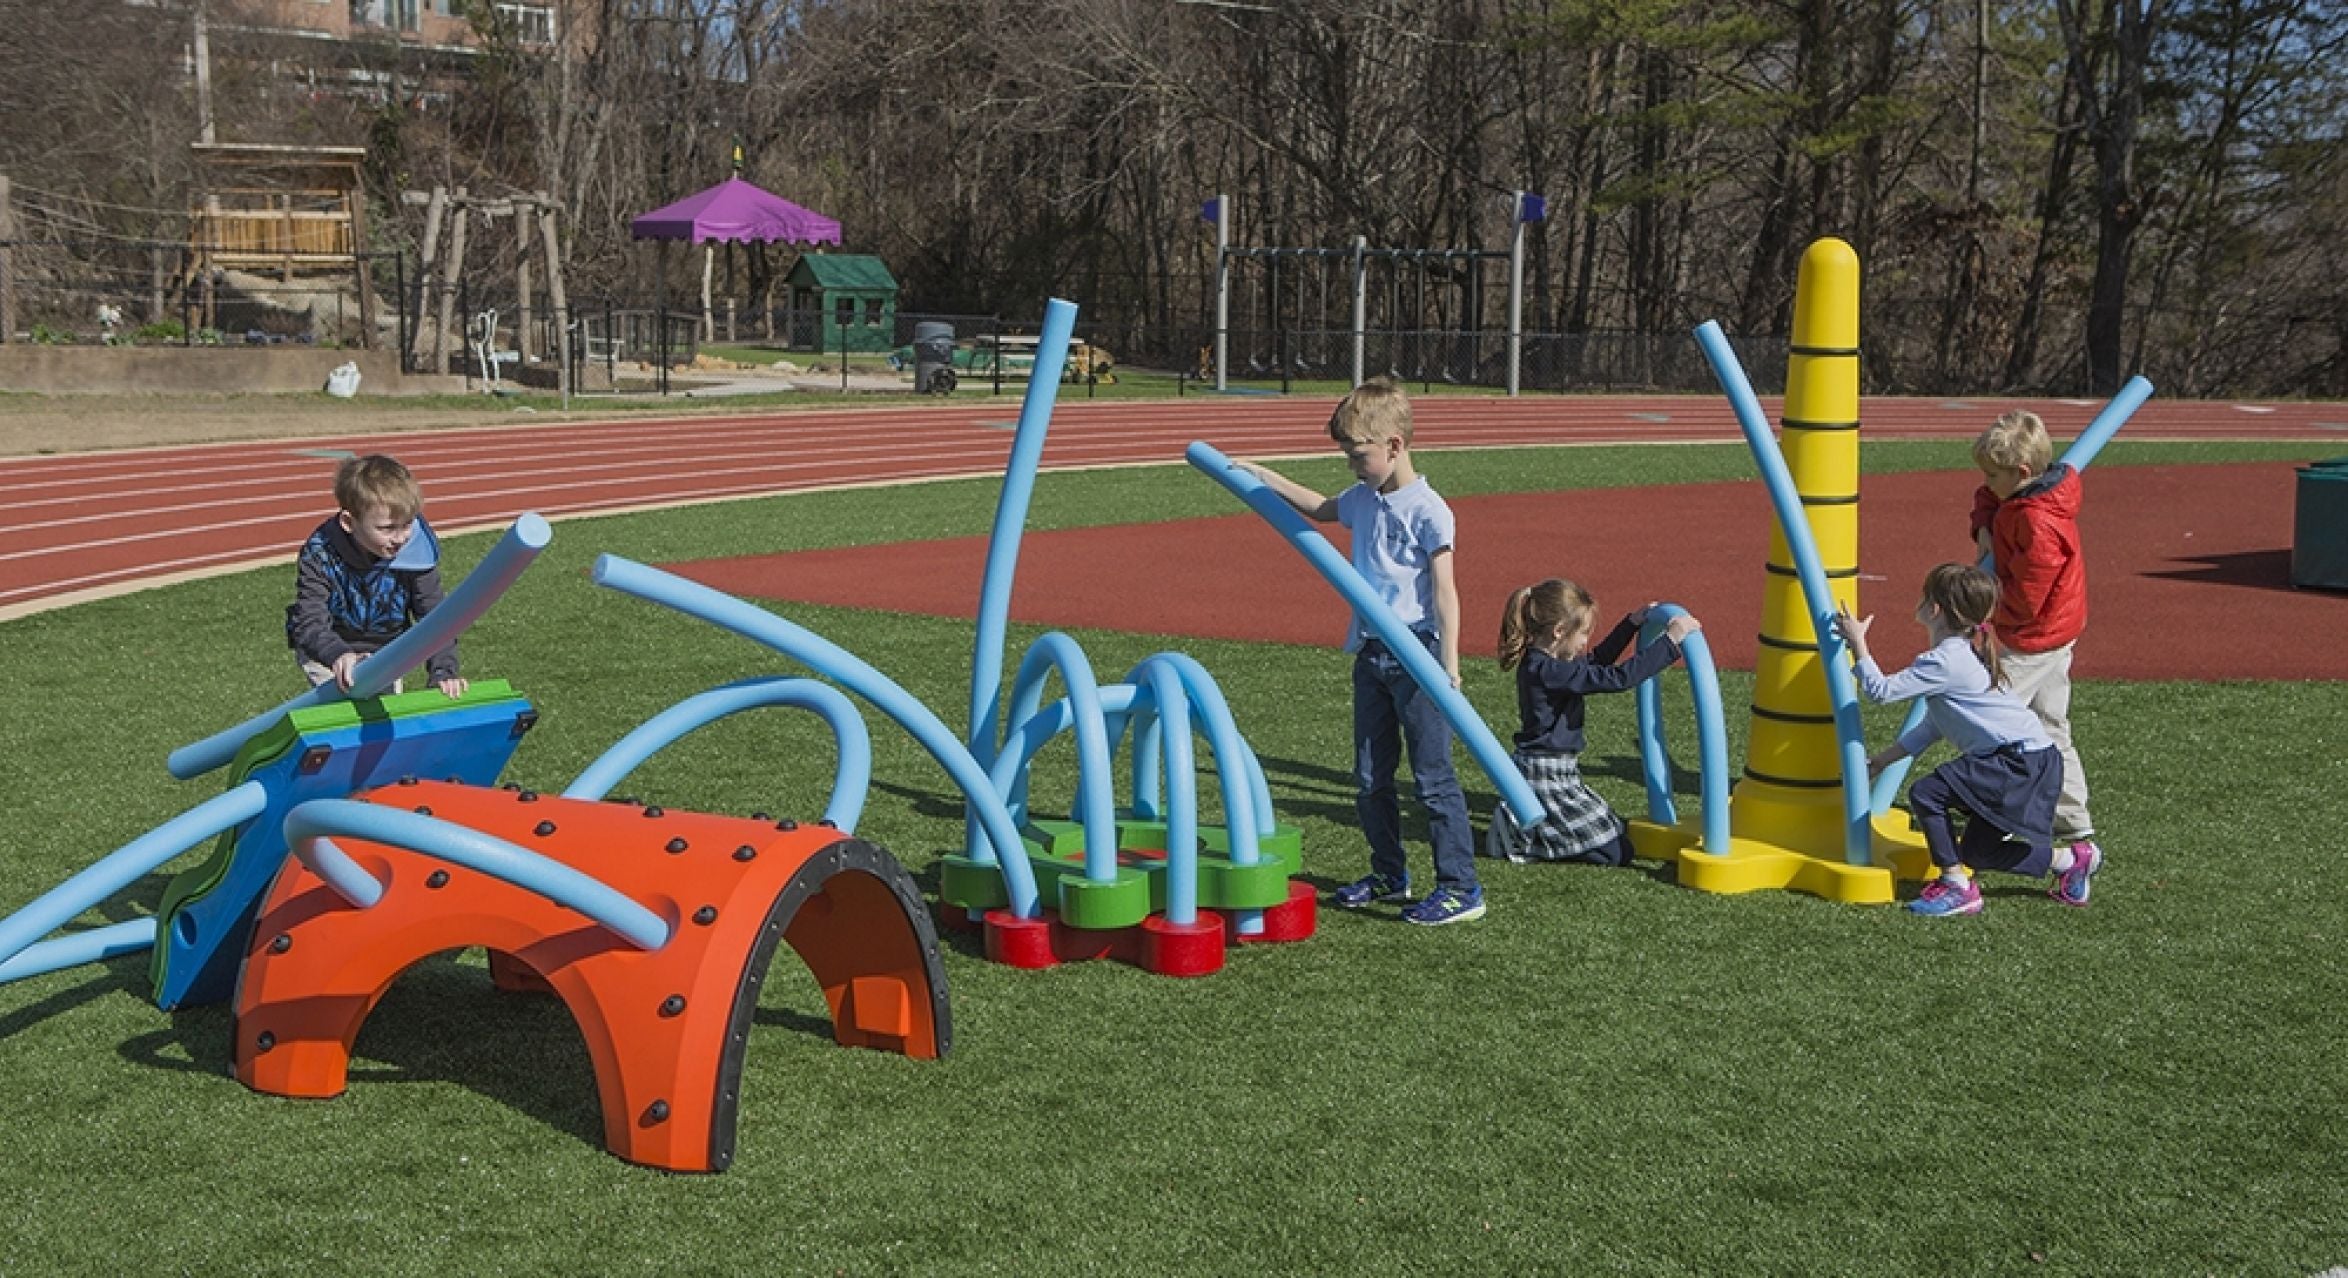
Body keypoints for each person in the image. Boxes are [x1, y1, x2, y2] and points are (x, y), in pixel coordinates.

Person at [1236, 378, 1482, 925]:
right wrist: (1262, 476)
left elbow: (1445, 591)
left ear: (1394, 445)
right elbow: (1322, 509)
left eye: (1358, 454)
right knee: (1371, 776)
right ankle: (1390, 872)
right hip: (1373, 653)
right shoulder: (1361, 500)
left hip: (1416, 653)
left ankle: (1461, 886)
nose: (1352, 464)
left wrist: (1450, 665)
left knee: (1432, 778)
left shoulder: (1429, 510)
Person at [1835, 563, 2099, 918]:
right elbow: (1935, 725)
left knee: (1928, 793)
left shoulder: (1945, 661)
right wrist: (1882, 761)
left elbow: (1880, 692)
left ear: (1935, 610)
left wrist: (1857, 644)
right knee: (1979, 852)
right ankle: (2071, 860)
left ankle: (1956, 885)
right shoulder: (1961, 655)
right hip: (2033, 760)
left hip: (2015, 761)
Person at [1970, 409, 2103, 901]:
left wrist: (1982, 606)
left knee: (1988, 720)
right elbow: (1986, 498)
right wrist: (1984, 525)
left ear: (2021, 475)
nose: (1985, 483)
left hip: (2034, 635)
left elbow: (2026, 596)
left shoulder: (2038, 521)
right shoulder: (2021, 494)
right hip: (2054, 629)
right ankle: (2076, 826)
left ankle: (1992, 812)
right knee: (2050, 727)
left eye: (1992, 474)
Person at [1486, 580, 1699, 866]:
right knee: (1617, 852)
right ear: (1559, 631)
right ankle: (1522, 838)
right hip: (1544, 774)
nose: (1586, 641)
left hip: (1558, 771)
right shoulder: (1546, 671)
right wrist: (1670, 642)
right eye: (1583, 633)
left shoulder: (1547, 663)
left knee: (1617, 839)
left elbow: (1597, 660)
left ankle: (1534, 831)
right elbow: (1618, 678)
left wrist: (1632, 623)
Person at [284, 454, 467, 699]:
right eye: (387, 528)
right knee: (345, 716)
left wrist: (443, 671)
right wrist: (338, 655)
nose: (401, 537)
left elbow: (435, 618)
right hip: (329, 652)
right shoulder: (321, 553)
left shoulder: (416, 550)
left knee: (382, 720)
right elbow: (309, 621)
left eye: (407, 524)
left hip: (386, 654)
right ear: (349, 522)